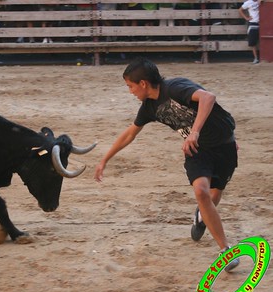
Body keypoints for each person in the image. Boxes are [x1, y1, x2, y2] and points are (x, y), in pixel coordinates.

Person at [94, 57, 240, 272]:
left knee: (213, 196)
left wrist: (196, 132)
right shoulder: (149, 108)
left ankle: (201, 217)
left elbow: (208, 98)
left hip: (224, 146)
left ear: (143, 83)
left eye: (130, 86)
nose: (130, 92)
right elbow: (130, 134)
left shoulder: (174, 88)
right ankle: (226, 250)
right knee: (201, 192)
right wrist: (105, 159)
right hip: (197, 150)